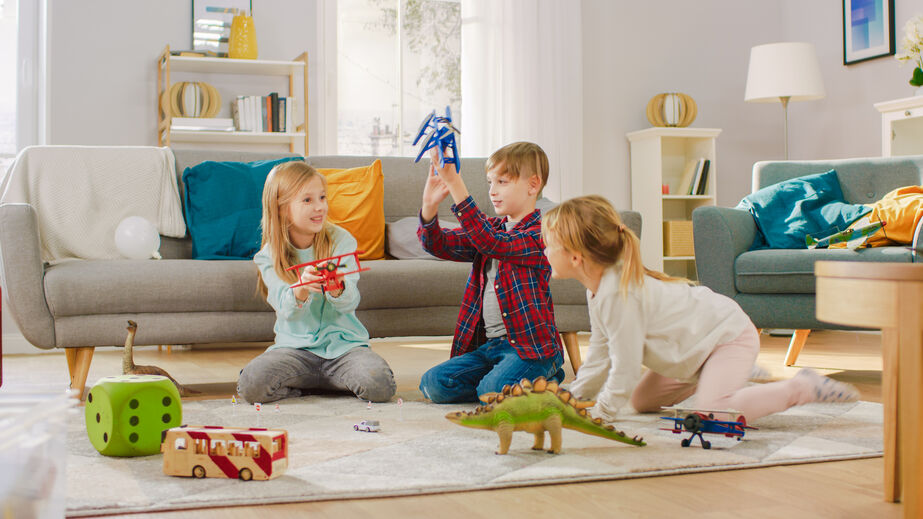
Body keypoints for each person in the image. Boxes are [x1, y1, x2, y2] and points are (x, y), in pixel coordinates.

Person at [540, 195, 859, 422]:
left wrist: (601, 413)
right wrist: (573, 398)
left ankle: (801, 387)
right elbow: (600, 353)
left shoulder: (619, 295)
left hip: (727, 337)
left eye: (548, 245)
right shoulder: (597, 290)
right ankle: (728, 374)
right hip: (694, 351)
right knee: (641, 401)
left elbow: (624, 366)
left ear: (575, 256)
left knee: (713, 415)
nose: (544, 251)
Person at [417, 142, 565, 404]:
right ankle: (516, 381)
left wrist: (455, 184)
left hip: (530, 349)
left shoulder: (540, 234)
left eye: (503, 182)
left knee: (491, 391)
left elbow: (493, 243)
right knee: (433, 384)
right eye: (490, 182)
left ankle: (544, 374)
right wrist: (429, 206)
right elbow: (438, 244)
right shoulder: (492, 228)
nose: (493, 191)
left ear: (533, 185)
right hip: (491, 347)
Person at [236, 161, 395, 404]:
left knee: (379, 384)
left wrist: (338, 288)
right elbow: (285, 311)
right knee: (251, 385)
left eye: (322, 197)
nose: (320, 207)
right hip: (294, 351)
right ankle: (323, 386)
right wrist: (298, 292)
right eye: (307, 200)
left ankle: (325, 383)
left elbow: (349, 303)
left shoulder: (342, 241)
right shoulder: (268, 256)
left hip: (345, 349)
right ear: (280, 208)